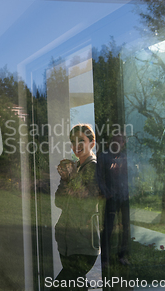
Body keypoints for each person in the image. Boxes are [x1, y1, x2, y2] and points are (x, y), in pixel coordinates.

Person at [53, 124, 101, 290]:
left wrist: (72, 178)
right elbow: (59, 201)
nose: (76, 145)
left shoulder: (93, 167)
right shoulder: (74, 167)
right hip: (66, 242)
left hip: (83, 243)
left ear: (92, 143)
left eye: (82, 140)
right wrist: (66, 179)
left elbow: (88, 204)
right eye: (73, 141)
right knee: (76, 286)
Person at [97, 134, 130, 269]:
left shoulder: (125, 158)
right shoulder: (104, 157)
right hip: (112, 197)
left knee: (126, 227)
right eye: (114, 141)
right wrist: (106, 192)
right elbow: (98, 177)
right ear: (111, 142)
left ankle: (122, 256)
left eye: (120, 141)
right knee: (108, 228)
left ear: (123, 144)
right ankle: (104, 259)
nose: (117, 143)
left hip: (124, 197)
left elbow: (132, 176)